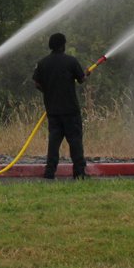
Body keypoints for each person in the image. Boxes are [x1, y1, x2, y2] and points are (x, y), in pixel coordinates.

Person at [32, 32, 88, 179]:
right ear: (63, 45)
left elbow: (37, 83)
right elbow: (81, 79)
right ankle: (79, 173)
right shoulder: (71, 61)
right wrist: (86, 74)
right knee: (75, 141)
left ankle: (49, 172)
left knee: (54, 143)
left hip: (53, 111)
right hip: (70, 110)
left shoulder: (43, 63)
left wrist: (48, 91)